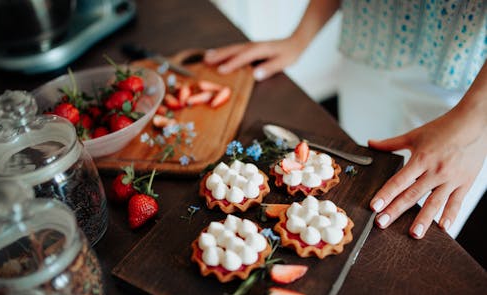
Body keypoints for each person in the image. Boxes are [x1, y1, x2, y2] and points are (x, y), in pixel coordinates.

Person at [204, 0, 487, 240]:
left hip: (466, 93)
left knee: (409, 230)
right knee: (357, 185)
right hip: (369, 51)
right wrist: (300, 37)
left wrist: (476, 122)